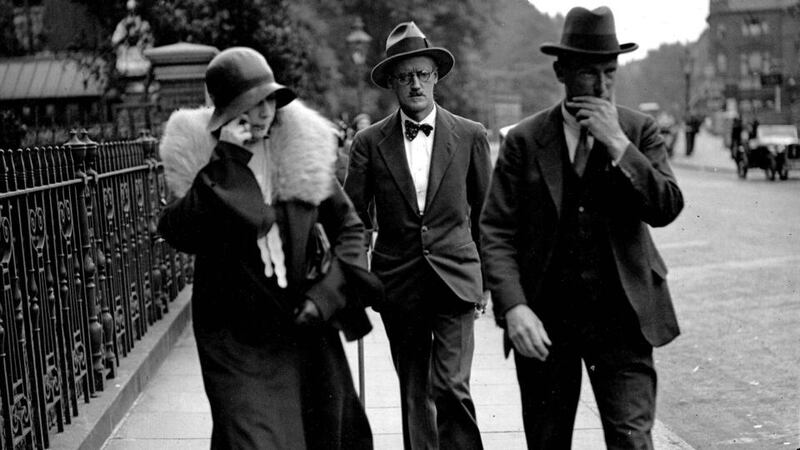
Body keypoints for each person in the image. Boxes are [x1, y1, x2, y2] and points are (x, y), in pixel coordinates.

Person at [480, 7, 684, 449]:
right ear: (562, 70)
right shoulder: (525, 140)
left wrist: (619, 145)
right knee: (547, 440)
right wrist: (514, 307)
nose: (603, 85)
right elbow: (495, 229)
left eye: (610, 72)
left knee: (632, 440)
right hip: (546, 322)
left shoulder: (638, 131)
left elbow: (666, 206)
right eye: (591, 73)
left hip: (623, 321)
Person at [157, 47, 381, 449]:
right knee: (255, 440)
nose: (263, 113)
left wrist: (326, 295)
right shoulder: (204, 163)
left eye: (269, 100)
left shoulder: (300, 153)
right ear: (224, 110)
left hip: (303, 327)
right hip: (235, 339)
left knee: (322, 435)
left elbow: (350, 228)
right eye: (250, 104)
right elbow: (178, 231)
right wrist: (226, 161)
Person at [344, 21, 491, 450]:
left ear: (436, 77)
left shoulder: (470, 136)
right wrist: (355, 274)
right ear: (391, 81)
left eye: (423, 74)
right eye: (405, 76)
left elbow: (486, 216)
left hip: (457, 279)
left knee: (450, 386)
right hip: (398, 282)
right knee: (415, 392)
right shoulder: (369, 142)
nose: (415, 84)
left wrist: (489, 281)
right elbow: (355, 218)